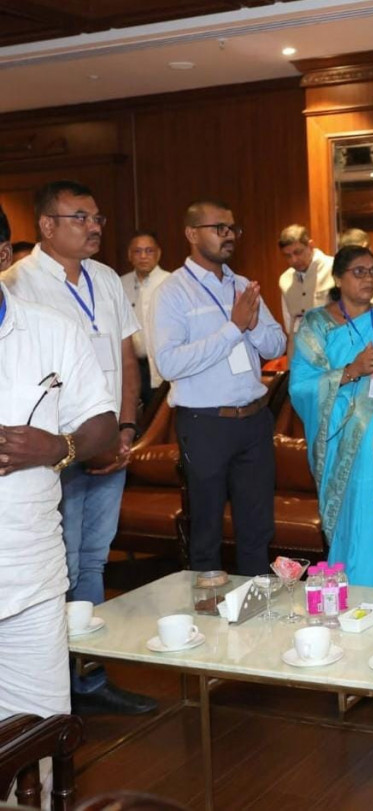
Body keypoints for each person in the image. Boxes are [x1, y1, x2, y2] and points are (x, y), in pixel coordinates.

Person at [1, 181, 155, 716]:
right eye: (81, 217)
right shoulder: (19, 283)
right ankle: (61, 677)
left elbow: (125, 359)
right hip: (49, 466)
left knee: (92, 561)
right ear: (46, 225)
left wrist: (125, 429)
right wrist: (66, 448)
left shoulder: (106, 278)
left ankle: (88, 675)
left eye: (97, 218)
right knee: (63, 563)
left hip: (102, 441)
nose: (94, 227)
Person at [151, 200, 286, 575]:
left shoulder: (243, 285)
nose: (229, 236)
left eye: (232, 229)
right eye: (219, 228)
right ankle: (207, 608)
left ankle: (258, 605)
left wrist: (252, 325)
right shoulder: (172, 292)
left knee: (257, 530)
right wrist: (233, 328)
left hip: (254, 422)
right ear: (191, 234)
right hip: (206, 424)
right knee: (206, 531)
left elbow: (277, 345)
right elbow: (169, 363)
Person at [289, 245, 373, 587]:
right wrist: (352, 370)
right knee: (360, 510)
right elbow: (301, 386)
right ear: (338, 278)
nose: (368, 279)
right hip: (342, 436)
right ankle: (360, 588)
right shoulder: (316, 325)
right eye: (358, 272)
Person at [120, 230, 171, 409]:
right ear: (129, 255)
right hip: (130, 365)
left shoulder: (171, 282)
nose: (143, 256)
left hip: (161, 367)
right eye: (137, 251)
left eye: (149, 251)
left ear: (159, 253)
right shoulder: (120, 284)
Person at [277, 225, 334, 337]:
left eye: (298, 252)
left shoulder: (334, 269)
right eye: (288, 256)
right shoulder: (285, 279)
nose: (294, 260)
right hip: (302, 342)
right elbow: (289, 323)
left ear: (311, 246)